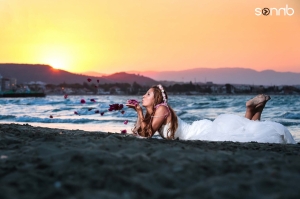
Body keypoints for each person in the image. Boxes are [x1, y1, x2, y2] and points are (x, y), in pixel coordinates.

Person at [126, 85, 296, 144]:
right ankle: (254, 110)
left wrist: (139, 111)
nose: (143, 96)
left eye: (147, 94)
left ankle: (251, 110)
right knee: (246, 130)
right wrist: (140, 112)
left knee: (244, 133)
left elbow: (146, 135)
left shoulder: (162, 109)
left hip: (198, 132)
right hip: (196, 132)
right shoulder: (155, 112)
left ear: (156, 99)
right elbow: (142, 132)